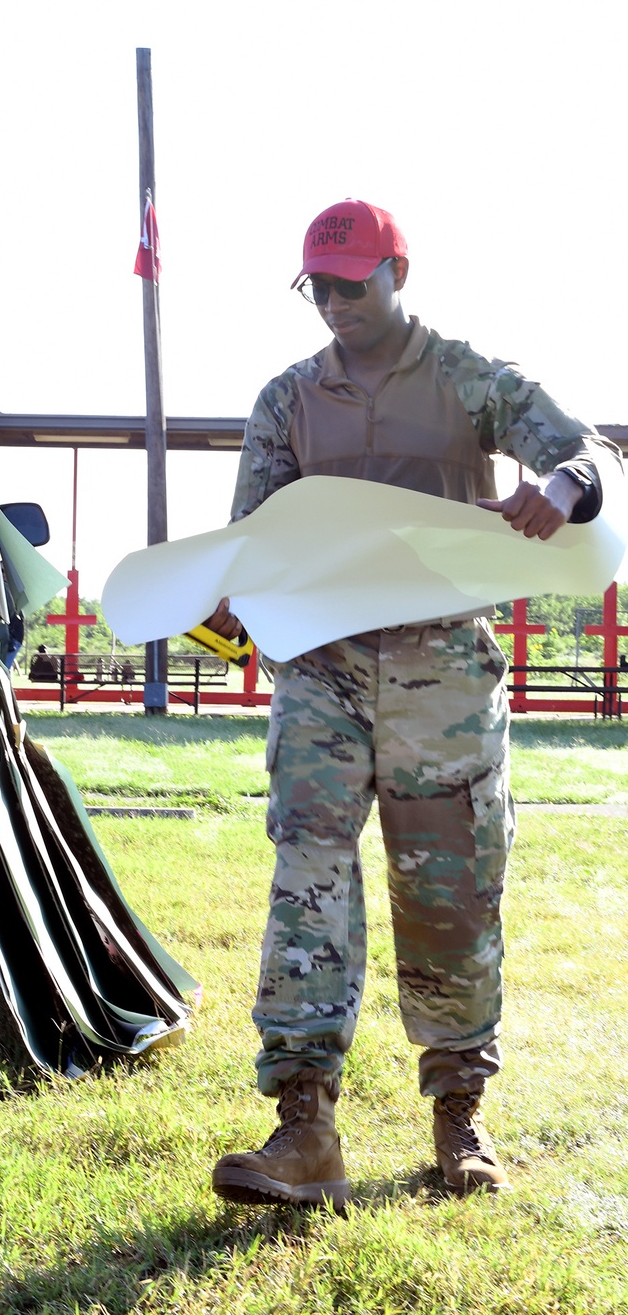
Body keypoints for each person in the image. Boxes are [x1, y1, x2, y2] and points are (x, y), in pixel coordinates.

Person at [205, 199, 622, 1208]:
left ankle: (458, 1114)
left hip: (441, 668)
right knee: (307, 874)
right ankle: (304, 1123)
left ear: (398, 271)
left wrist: (562, 487)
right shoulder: (287, 400)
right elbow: (248, 537)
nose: (339, 303)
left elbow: (591, 454)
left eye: (356, 282)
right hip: (323, 668)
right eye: (321, 287)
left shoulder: (469, 378)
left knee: (450, 891)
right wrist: (221, 593)